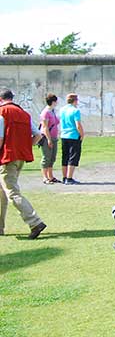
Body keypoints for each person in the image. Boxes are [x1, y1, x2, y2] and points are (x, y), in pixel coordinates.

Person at [0, 89, 46, 238]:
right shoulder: (24, 114)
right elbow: (38, 135)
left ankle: (34, 221)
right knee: (2, 192)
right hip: (20, 158)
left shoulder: (2, 112)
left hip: (6, 157)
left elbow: (0, 138)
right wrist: (26, 146)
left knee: (12, 192)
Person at [59, 93, 84, 185]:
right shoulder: (75, 111)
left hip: (64, 135)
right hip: (73, 135)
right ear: (75, 100)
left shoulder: (62, 110)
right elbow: (78, 124)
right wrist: (82, 134)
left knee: (65, 156)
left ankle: (64, 176)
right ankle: (69, 178)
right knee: (73, 156)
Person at [39, 93, 60, 184]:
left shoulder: (52, 111)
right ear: (53, 102)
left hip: (54, 137)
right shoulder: (46, 112)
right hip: (47, 138)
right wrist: (49, 139)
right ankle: (45, 177)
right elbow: (45, 127)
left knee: (52, 157)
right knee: (46, 157)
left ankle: (50, 176)